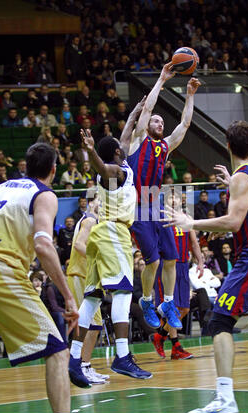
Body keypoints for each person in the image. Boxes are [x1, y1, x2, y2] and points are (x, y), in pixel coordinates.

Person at [163, 120, 248, 413]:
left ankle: (225, 400)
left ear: (227, 145)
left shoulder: (242, 179)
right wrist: (232, 183)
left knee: (219, 322)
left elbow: (233, 222)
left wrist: (190, 222)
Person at [0, 142, 79, 413]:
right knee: (57, 350)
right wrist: (68, 295)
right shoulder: (44, 194)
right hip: (0, 271)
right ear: (54, 170)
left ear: (25, 167)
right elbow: (43, 246)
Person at [68, 98, 152, 388]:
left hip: (100, 236)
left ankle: (75, 360)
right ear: (117, 152)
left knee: (91, 298)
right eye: (120, 145)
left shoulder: (123, 162)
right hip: (113, 232)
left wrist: (137, 110)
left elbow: (127, 130)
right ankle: (122, 355)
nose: (124, 143)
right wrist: (91, 151)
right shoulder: (115, 174)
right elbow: (104, 170)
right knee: (124, 292)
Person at [127, 62, 201, 330]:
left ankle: (166, 303)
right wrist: (161, 79)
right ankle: (147, 300)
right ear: (147, 124)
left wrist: (190, 96)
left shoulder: (165, 147)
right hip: (138, 206)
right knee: (154, 261)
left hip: (157, 205)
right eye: (156, 120)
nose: (159, 123)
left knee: (171, 258)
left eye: (161, 121)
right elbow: (147, 109)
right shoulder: (138, 140)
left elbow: (185, 123)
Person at [152, 192, 204, 360]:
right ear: (165, 200)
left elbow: (194, 243)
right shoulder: (160, 217)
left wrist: (201, 262)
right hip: (167, 266)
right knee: (172, 309)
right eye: (170, 196)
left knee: (185, 308)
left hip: (182, 266)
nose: (174, 199)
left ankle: (160, 335)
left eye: (176, 197)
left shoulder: (186, 218)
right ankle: (176, 347)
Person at [66, 195, 109, 384]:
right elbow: (78, 244)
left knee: (94, 324)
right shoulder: (90, 220)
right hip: (79, 275)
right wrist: (98, 259)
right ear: (91, 202)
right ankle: (80, 365)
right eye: (100, 200)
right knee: (90, 323)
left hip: (87, 276)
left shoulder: (93, 220)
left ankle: (84, 364)